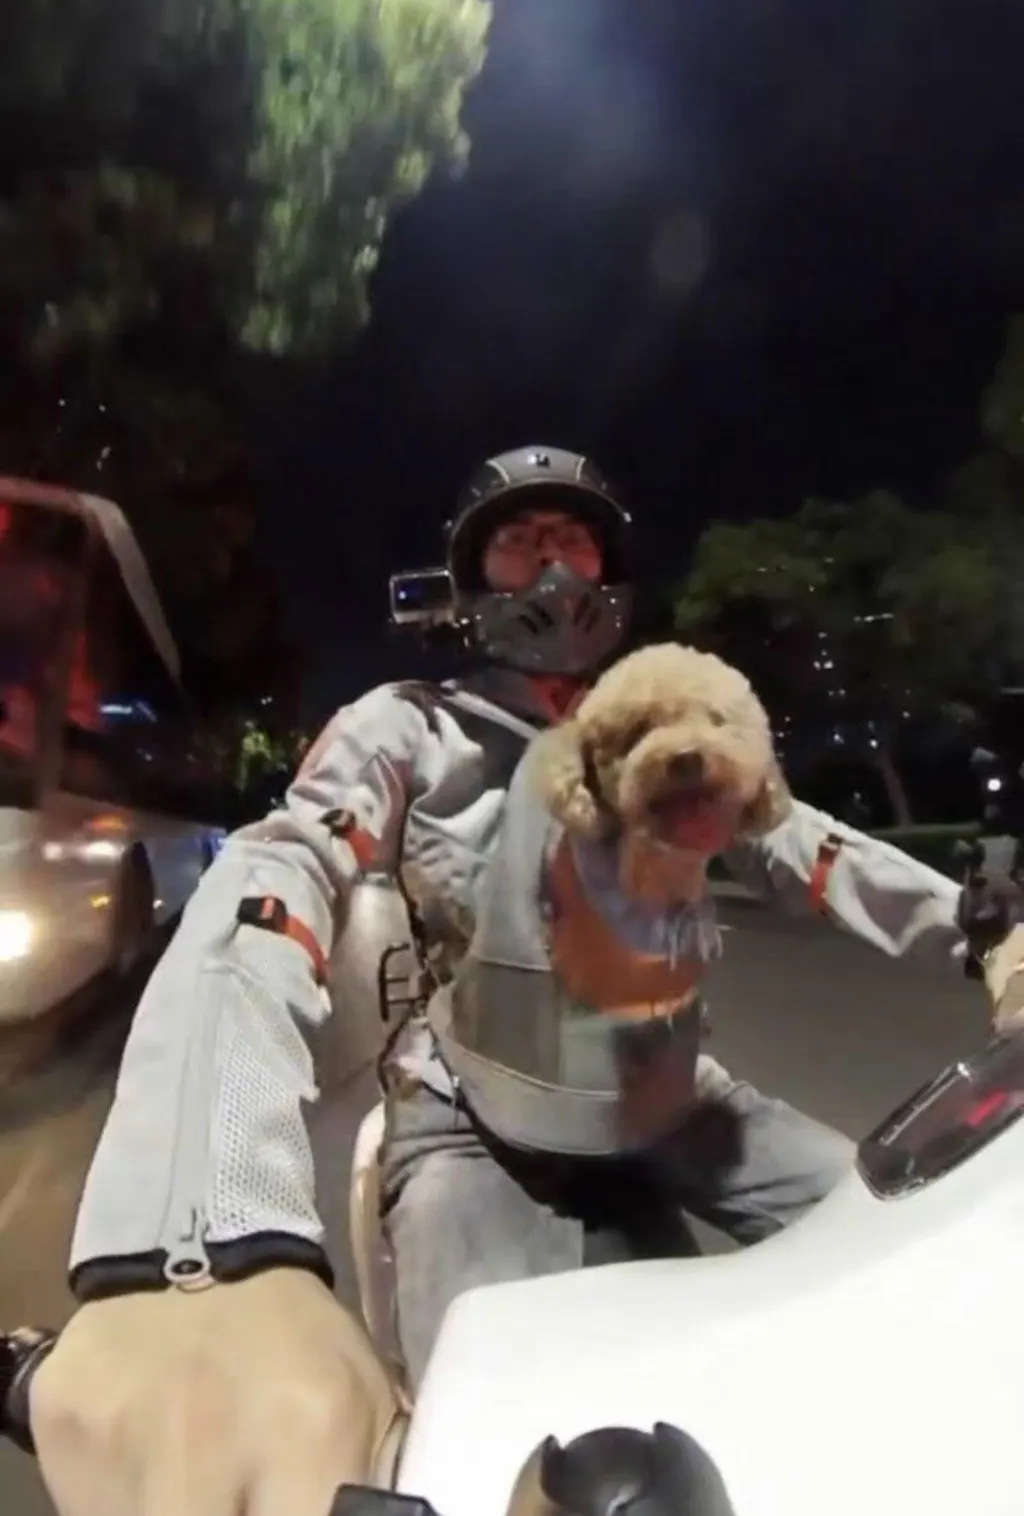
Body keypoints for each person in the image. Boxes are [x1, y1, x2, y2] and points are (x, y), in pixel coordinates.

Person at [25, 447, 991, 1516]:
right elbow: (280, 869)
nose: (552, 569)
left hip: (671, 1095)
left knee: (934, 1250)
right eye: (520, 544)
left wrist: (990, 931)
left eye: (571, 540)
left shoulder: (663, 730)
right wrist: (194, 1241)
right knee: (487, 1442)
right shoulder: (407, 724)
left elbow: (802, 843)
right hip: (470, 1116)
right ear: (470, 584)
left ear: (612, 571)